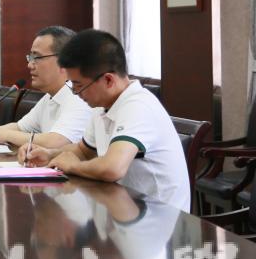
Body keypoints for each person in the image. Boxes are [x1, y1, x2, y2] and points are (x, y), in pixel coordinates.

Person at [20, 29, 191, 211]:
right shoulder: (102, 105)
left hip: (159, 217)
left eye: (78, 85)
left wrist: (73, 166)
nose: (75, 93)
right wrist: (49, 154)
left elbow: (113, 168)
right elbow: (84, 150)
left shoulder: (138, 106)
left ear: (108, 80)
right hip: (123, 206)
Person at [0, 26, 92, 149]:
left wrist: (5, 134)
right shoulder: (50, 96)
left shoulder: (80, 97)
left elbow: (56, 142)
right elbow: (20, 128)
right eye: (30, 57)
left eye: (37, 57)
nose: (29, 65)